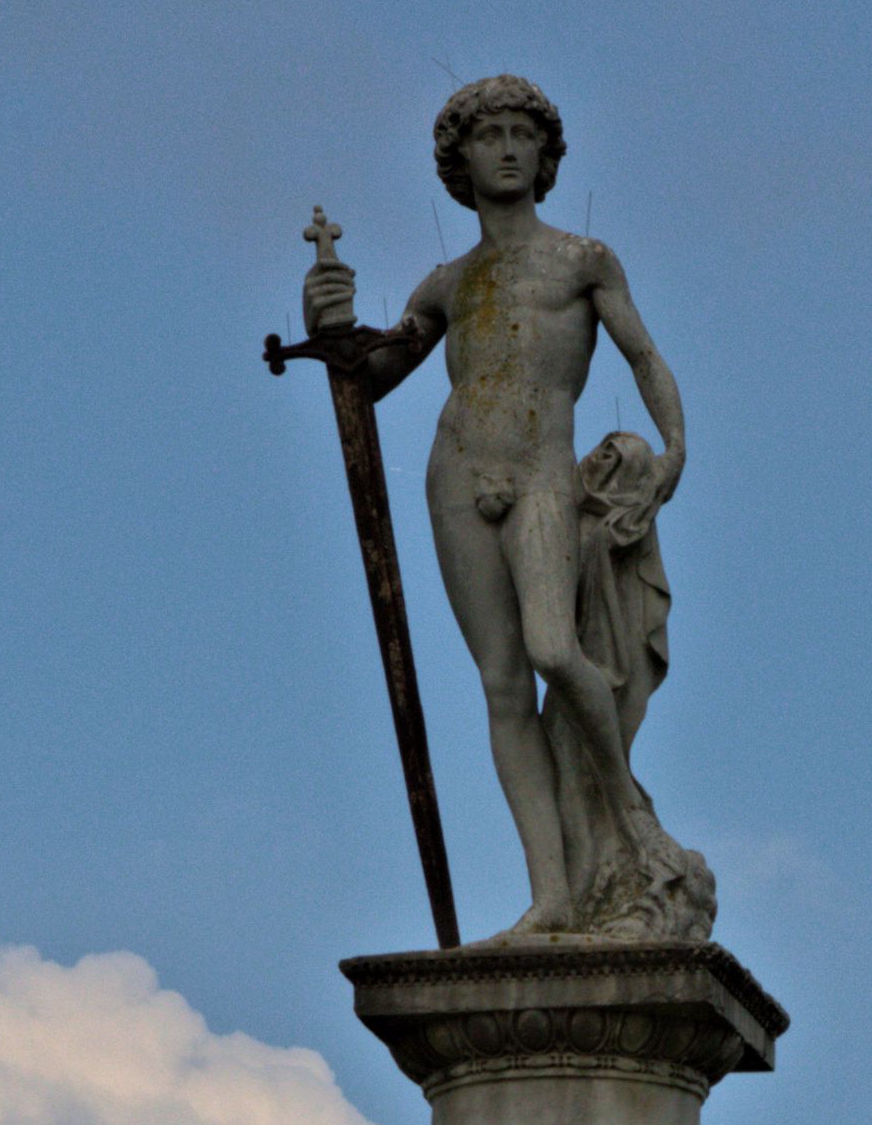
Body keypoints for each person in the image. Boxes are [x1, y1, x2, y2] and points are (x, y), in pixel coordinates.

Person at [301, 76, 711, 942]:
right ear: (461, 160)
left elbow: (643, 354)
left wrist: (673, 449)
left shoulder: (583, 261)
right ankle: (551, 892)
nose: (509, 149)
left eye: (524, 134)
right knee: (500, 683)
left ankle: (630, 819)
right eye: (490, 137)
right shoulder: (447, 284)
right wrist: (331, 324)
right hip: (458, 468)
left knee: (553, 648)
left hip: (541, 469)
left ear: (548, 156)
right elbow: (371, 380)